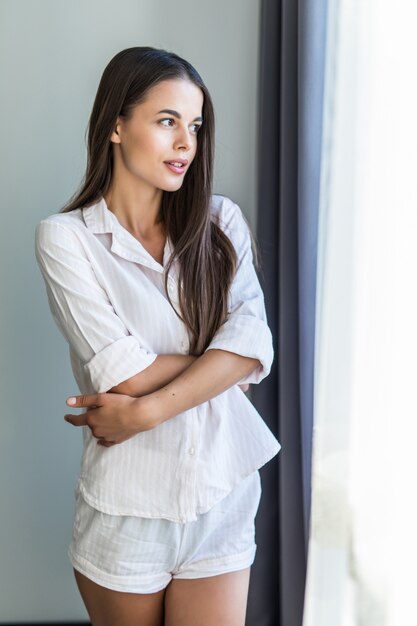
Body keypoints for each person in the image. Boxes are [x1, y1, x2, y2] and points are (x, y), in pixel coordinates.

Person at [34, 46, 281, 626]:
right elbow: (125, 373)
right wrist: (222, 360)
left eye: (194, 126)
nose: (186, 143)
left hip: (222, 493)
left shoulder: (221, 222)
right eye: (167, 121)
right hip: (128, 507)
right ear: (117, 125)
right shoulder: (66, 239)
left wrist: (142, 414)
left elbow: (254, 347)